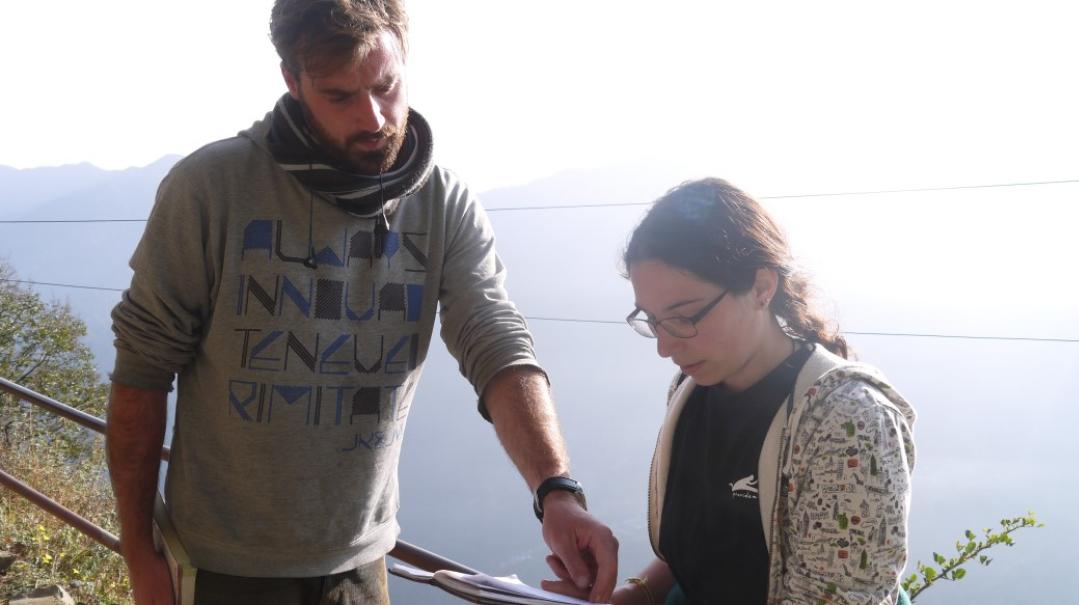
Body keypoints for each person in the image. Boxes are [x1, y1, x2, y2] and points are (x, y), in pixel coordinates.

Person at [104, 1, 617, 604]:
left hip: (362, 563)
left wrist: (556, 490)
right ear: (292, 84)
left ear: (406, 60)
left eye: (385, 86)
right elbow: (141, 372)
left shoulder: (441, 202)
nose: (373, 116)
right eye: (339, 96)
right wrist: (139, 551)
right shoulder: (211, 189)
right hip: (219, 565)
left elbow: (495, 339)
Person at [549, 178, 915, 604]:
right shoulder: (691, 390)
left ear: (762, 287)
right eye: (651, 320)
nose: (665, 347)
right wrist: (638, 593)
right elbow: (711, 545)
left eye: (685, 316)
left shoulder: (848, 422)